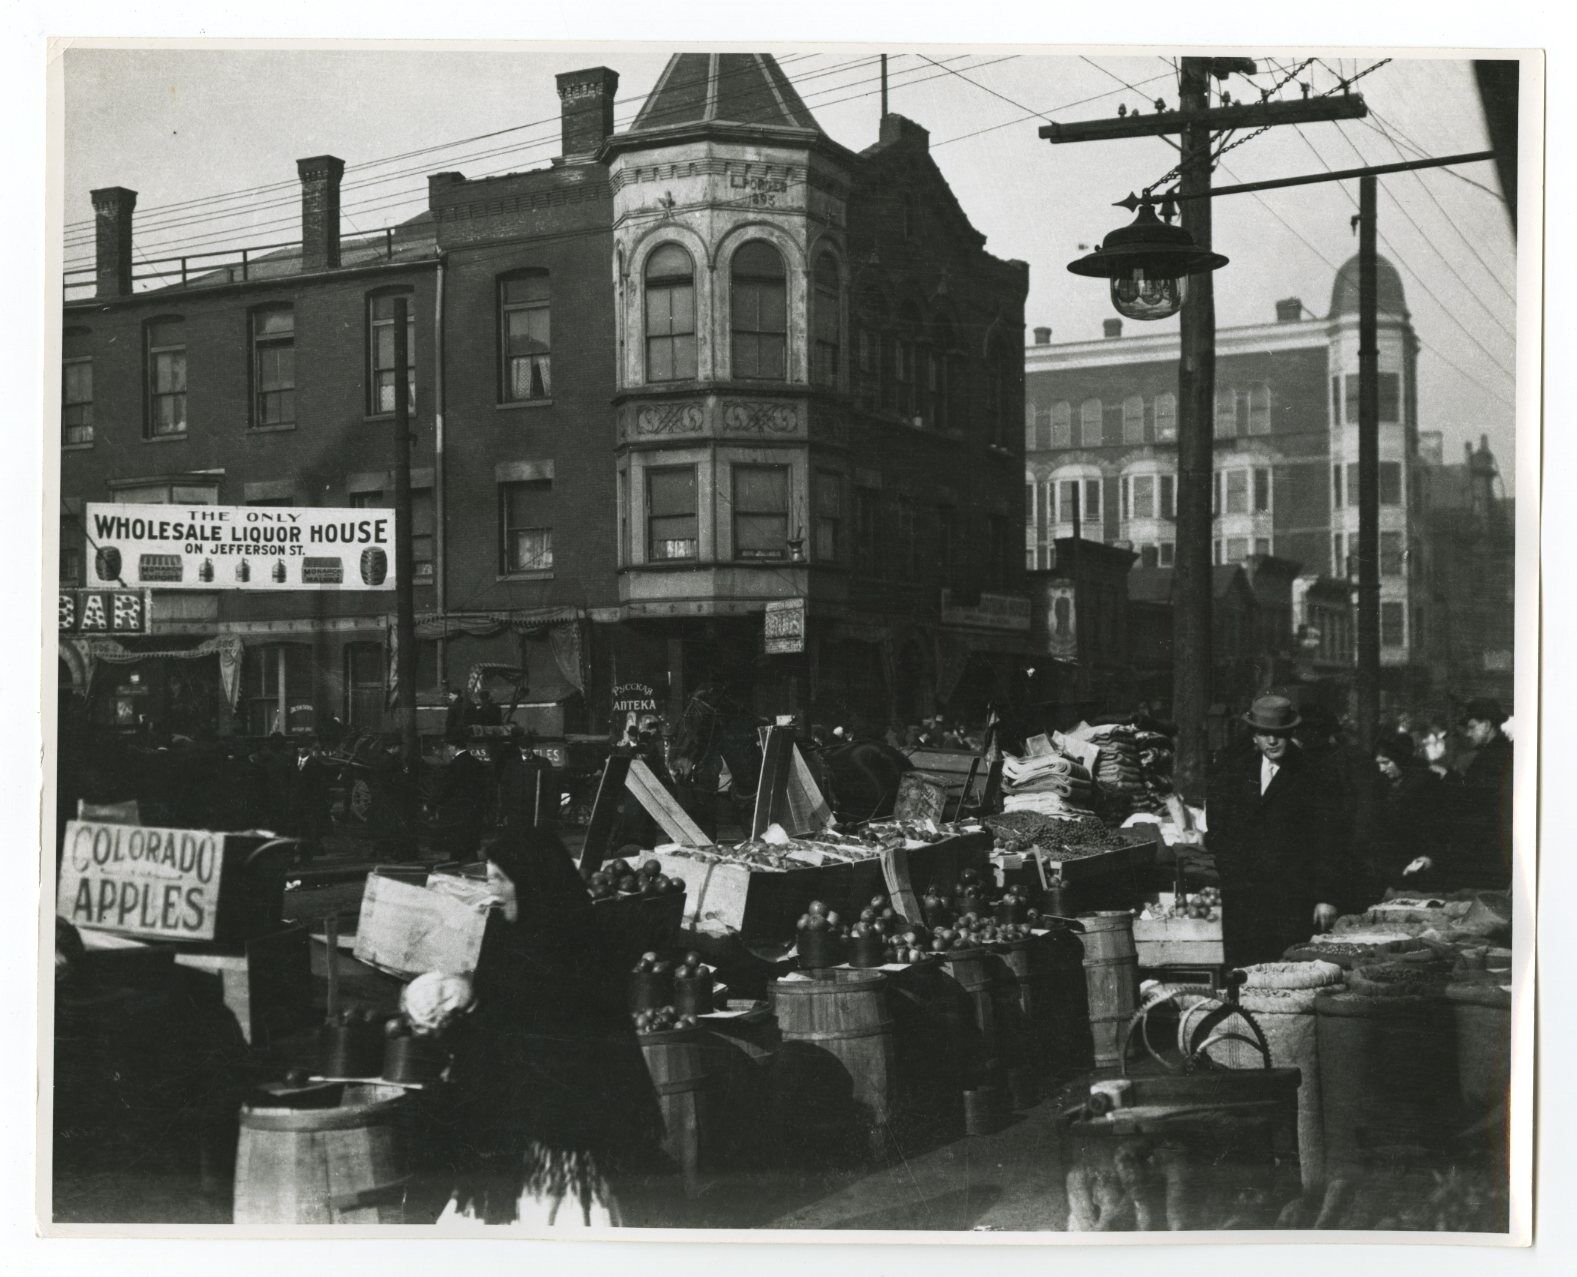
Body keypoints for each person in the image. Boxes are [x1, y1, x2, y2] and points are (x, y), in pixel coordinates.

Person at [436, 830, 668, 1226]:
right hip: (517, 1140)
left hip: (558, 1142)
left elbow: (542, 1045)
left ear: (530, 882)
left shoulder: (566, 953)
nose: (492, 891)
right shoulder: (510, 934)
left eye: (499, 880)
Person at [1206, 695, 1355, 966]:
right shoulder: (1236, 771)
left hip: (1292, 898)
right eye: (1265, 734)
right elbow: (1218, 825)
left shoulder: (1315, 773)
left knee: (1287, 974)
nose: (1272, 742)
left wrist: (1326, 897)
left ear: (1291, 733)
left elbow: (1331, 839)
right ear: (1253, 736)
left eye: (1279, 735)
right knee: (1243, 973)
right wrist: (1229, 868)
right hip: (1244, 897)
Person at [1367, 731, 1448, 891]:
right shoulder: (1383, 785)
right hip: (1388, 866)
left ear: (1401, 759)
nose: (1381, 768)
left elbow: (1437, 829)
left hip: (1417, 865)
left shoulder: (1427, 785)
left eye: (1386, 762)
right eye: (1378, 763)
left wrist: (1428, 858)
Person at [1455, 698, 1514, 886]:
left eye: (1472, 727)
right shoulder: (1500, 752)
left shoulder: (1493, 758)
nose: (1468, 733)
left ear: (1487, 725)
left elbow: (1479, 803)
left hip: (1490, 846)